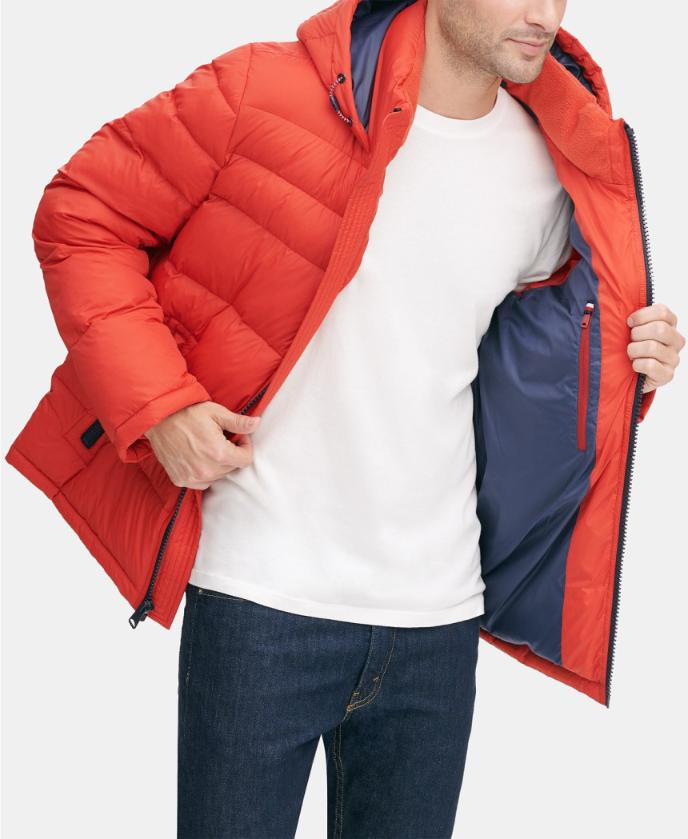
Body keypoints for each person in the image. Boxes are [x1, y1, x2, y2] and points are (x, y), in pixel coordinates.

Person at [6, 1, 683, 837]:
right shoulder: (264, 89)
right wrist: (160, 405)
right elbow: (82, 214)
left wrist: (631, 364)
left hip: (437, 620)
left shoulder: (548, 170)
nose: (545, 14)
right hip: (261, 599)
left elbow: (536, 367)